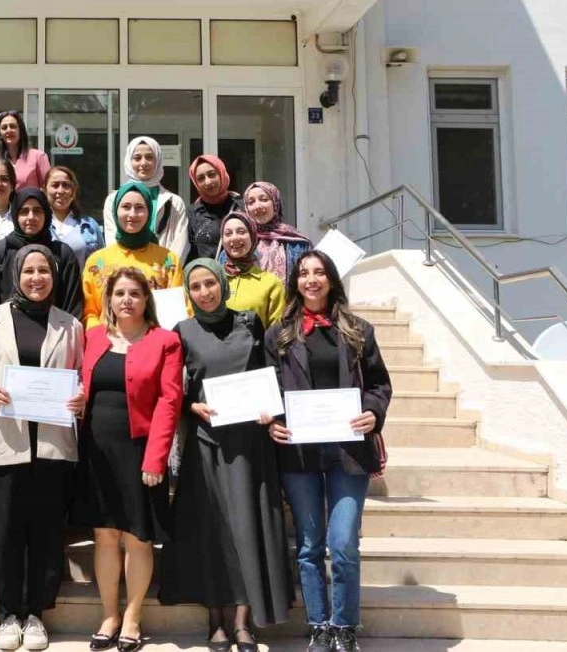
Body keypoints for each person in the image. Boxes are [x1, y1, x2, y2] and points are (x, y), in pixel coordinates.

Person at [263, 251, 392, 652]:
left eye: (319, 272)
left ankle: (345, 625)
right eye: (304, 273)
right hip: (299, 452)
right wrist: (272, 421)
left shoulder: (358, 330)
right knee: (309, 545)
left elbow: (379, 384)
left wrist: (373, 412)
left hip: (347, 451)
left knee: (343, 543)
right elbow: (269, 388)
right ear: (295, 282)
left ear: (332, 280)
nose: (311, 279)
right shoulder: (278, 334)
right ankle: (319, 624)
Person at [159, 259, 290, 652]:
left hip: (250, 445)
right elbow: (174, 388)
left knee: (248, 528)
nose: (204, 292)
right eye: (196, 286)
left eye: (210, 283)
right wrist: (190, 406)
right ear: (189, 293)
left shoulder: (249, 323)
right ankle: (215, 619)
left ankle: (243, 622)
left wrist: (272, 409)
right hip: (207, 443)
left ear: (222, 283)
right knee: (211, 531)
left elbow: (271, 373)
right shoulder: (182, 331)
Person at [0, 245, 86, 652]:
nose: (36, 278)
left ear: (54, 276)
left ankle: (37, 612)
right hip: (5, 441)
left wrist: (80, 396)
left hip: (52, 444)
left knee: (46, 531)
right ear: (16, 275)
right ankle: (8, 613)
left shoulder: (71, 325)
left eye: (44, 271)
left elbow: (79, 374)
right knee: (4, 532)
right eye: (29, 271)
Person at [71, 267, 183, 652]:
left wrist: (156, 458)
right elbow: (82, 383)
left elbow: (170, 401)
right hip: (96, 451)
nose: (126, 300)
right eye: (119, 293)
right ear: (109, 299)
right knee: (104, 535)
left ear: (146, 299)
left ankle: (132, 617)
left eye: (134, 293)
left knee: (138, 537)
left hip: (140, 451)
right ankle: (109, 615)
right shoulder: (92, 337)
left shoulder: (165, 341)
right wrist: (76, 398)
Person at [82, 183, 184, 330]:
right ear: (115, 211)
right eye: (126, 207)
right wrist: (102, 339)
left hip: (155, 340)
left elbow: (177, 311)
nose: (132, 214)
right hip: (107, 340)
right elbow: (89, 312)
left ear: (149, 212)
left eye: (139, 207)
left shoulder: (168, 260)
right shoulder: (97, 261)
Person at [0, 188, 83, 321]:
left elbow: (73, 305)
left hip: (56, 331)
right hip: (7, 332)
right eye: (24, 211)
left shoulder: (62, 254)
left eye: (37, 211)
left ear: (47, 214)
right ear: (15, 215)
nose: (31, 217)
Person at [101, 138, 188, 263]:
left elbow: (180, 244)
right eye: (137, 158)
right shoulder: (113, 200)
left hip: (163, 270)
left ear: (158, 160)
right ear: (129, 161)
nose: (143, 163)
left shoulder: (174, 202)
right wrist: (128, 271)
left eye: (149, 157)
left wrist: (166, 270)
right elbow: (112, 240)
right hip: (125, 271)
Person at [218, 211, 286, 330]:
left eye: (241, 232)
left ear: (253, 236)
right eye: (228, 233)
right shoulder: (215, 280)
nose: (235, 238)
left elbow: (276, 331)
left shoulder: (271, 283)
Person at [243, 181, 311, 282]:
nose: (258, 206)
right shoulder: (241, 241)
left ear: (275, 203)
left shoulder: (297, 242)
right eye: (251, 202)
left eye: (264, 199)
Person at [186, 154, 241, 262]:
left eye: (212, 174)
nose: (208, 182)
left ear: (221, 173)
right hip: (207, 272)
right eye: (201, 178)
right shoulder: (192, 214)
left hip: (241, 271)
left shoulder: (241, 207)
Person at [45, 165, 104, 263]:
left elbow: (101, 262)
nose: (60, 191)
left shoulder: (90, 226)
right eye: (55, 185)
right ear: (44, 189)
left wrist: (100, 269)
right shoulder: (39, 225)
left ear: (73, 191)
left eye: (66, 185)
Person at [0, 110, 50, 189]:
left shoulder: (38, 157)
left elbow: (48, 188)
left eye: (12, 126)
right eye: (4, 128)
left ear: (20, 130)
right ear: (0, 134)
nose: (8, 130)